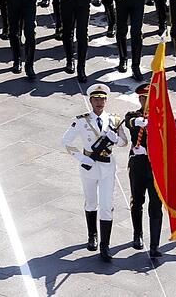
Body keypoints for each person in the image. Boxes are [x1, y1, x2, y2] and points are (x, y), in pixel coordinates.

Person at [60, 83, 129, 262]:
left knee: (106, 205)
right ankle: (93, 235)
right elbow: (66, 141)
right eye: (96, 99)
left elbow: (124, 142)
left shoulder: (114, 120)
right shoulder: (82, 120)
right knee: (91, 202)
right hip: (89, 165)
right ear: (90, 100)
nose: (100, 102)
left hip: (107, 166)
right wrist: (82, 158)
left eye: (103, 99)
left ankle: (105, 246)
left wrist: (116, 139)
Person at [124, 82, 163, 257]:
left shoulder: (162, 117)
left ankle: (155, 244)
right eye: (143, 98)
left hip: (156, 166)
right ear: (139, 99)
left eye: (149, 98)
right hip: (139, 165)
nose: (146, 101)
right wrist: (139, 121)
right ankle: (137, 234)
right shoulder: (133, 115)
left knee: (156, 204)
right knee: (137, 201)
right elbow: (129, 122)